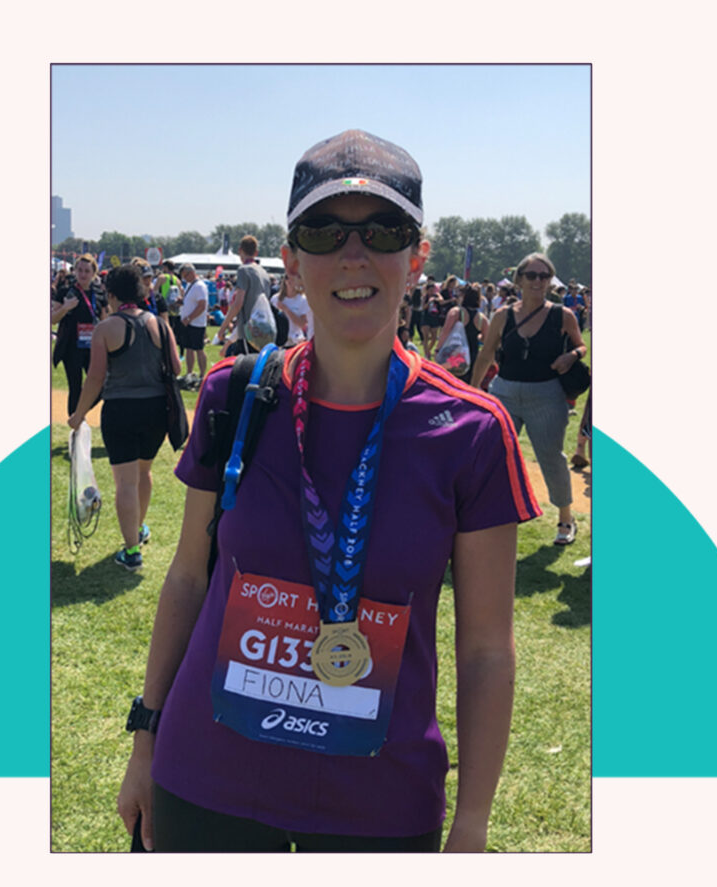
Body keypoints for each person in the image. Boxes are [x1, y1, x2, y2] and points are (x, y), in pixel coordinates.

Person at [116, 129, 541, 853]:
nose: (353, 255)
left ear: (418, 255)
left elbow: (487, 652)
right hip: (205, 780)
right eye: (323, 230)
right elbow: (189, 577)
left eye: (382, 230)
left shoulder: (473, 430)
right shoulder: (236, 393)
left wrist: (473, 821)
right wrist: (144, 741)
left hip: (378, 805)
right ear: (290, 258)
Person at [67, 264, 181, 570]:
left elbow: (95, 378)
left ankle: (132, 551)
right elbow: (177, 368)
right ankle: (138, 530)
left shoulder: (106, 328)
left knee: (125, 483)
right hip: (157, 410)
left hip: (121, 410)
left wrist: (79, 414)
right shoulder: (160, 323)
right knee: (143, 474)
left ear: (112, 294)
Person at [470, 252, 587, 546]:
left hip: (546, 395)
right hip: (505, 392)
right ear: (519, 279)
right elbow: (485, 355)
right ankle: (492, 518)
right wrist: (471, 392)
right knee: (494, 455)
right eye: (532, 275)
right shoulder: (502, 315)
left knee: (550, 458)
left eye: (544, 276)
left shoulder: (563, 314)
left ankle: (565, 518)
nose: (538, 281)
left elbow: (582, 346)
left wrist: (571, 355)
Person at [52, 253, 108, 415]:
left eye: (87, 271)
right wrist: (65, 308)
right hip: (71, 347)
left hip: (94, 346)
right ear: (75, 271)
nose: (83, 274)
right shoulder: (65, 291)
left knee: (102, 383)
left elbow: (104, 319)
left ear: (93, 273)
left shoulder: (98, 292)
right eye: (80, 270)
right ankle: (75, 428)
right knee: (75, 387)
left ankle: (79, 413)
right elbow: (52, 319)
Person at [216, 235, 273, 356]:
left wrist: (223, 327)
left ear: (240, 250)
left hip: (248, 332)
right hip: (263, 329)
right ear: (256, 252)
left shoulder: (243, 270)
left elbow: (238, 303)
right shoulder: (264, 273)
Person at [434, 283, 489, 375]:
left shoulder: (456, 312)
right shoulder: (482, 318)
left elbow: (445, 331)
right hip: (472, 354)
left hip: (454, 353)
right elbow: (486, 338)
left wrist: (438, 350)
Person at [178, 263, 208, 389]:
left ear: (191, 272)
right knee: (188, 349)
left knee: (199, 349)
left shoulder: (200, 286)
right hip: (188, 323)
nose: (184, 278)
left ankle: (202, 375)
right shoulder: (191, 285)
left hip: (196, 323)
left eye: (185, 275)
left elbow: (202, 306)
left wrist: (190, 318)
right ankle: (189, 373)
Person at [272, 274, 313, 345]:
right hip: (278, 341)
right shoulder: (275, 299)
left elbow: (302, 324)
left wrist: (286, 309)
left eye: (293, 279)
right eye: (287, 278)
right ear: (284, 281)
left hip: (295, 341)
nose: (290, 281)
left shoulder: (303, 300)